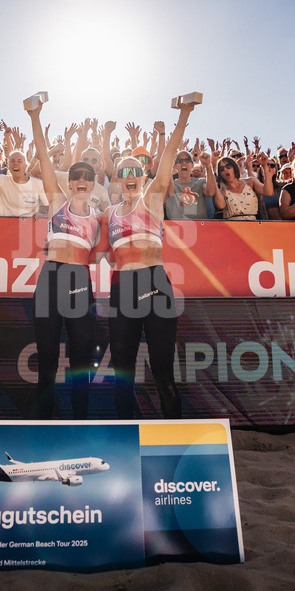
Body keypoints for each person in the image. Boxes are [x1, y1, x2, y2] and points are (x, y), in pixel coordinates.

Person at [107, 102, 196, 419]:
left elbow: (169, 155)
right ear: (117, 179)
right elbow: (107, 256)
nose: (130, 176)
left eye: (135, 171)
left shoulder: (153, 198)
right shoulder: (109, 214)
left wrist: (183, 116)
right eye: (123, 172)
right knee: (122, 376)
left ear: (143, 176)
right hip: (121, 291)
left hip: (155, 285)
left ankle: (172, 439)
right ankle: (125, 441)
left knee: (162, 372)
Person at [26, 98, 103, 419]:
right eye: (76, 176)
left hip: (79, 284)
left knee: (81, 359)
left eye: (87, 175)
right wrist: (35, 116)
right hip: (50, 280)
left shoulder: (101, 217)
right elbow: (44, 158)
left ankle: (80, 421)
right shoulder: (57, 201)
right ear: (69, 183)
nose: (81, 179)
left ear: (93, 182)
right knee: (46, 359)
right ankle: (45, 423)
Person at [0, 137, 47, 218]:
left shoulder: (37, 184)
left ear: (26, 165)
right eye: (12, 161)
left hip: (26, 228)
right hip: (4, 227)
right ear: (8, 166)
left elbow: (50, 205)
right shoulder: (2, 180)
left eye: (19, 161)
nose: (15, 163)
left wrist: (42, 213)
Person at [213, 152, 273, 220]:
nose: (225, 169)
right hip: (232, 227)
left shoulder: (250, 181)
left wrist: (265, 166)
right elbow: (220, 205)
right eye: (221, 169)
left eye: (228, 166)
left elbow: (268, 192)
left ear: (234, 167)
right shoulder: (222, 192)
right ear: (220, 174)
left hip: (253, 226)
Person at [165, 150, 215, 219]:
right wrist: (169, 167)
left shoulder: (200, 182)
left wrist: (208, 166)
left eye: (187, 160)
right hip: (178, 225)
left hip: (201, 225)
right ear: (175, 166)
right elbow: (170, 194)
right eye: (179, 161)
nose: (184, 163)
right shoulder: (173, 184)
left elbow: (210, 192)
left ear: (192, 165)